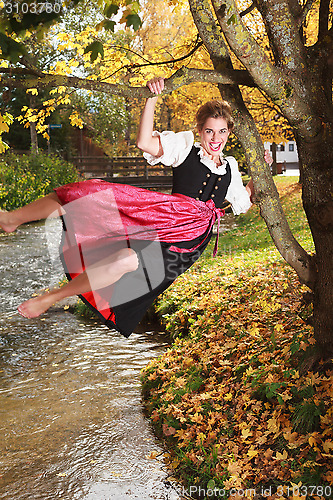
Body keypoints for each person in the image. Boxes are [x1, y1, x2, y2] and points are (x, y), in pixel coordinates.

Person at [0, 77, 271, 337]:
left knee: (124, 262)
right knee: (87, 194)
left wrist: (263, 172)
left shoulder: (231, 167)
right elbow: (144, 142)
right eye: (209, 130)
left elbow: (243, 201)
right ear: (200, 130)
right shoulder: (185, 147)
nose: (216, 137)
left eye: (222, 131)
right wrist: (151, 98)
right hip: (163, 216)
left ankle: (53, 297)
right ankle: (12, 219)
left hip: (187, 243)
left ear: (229, 132)